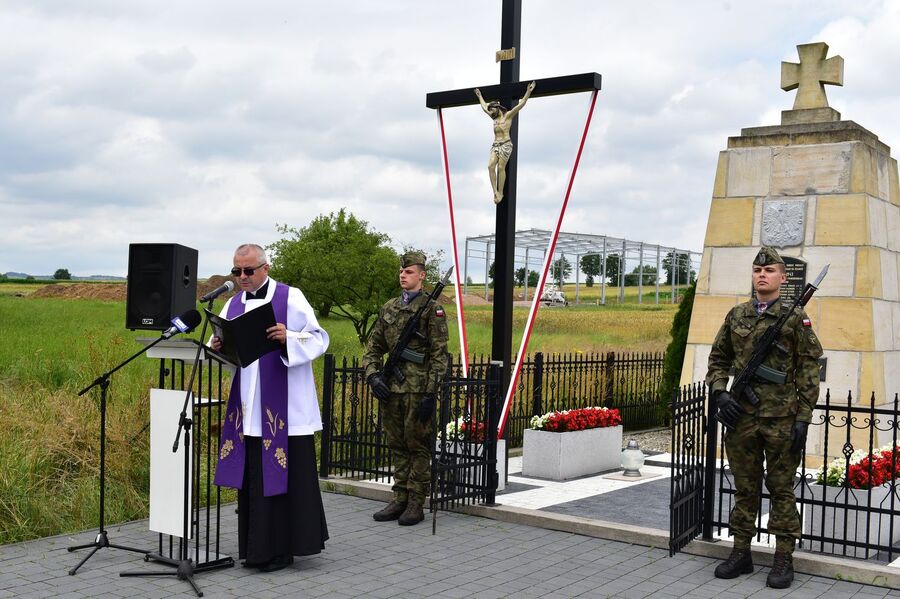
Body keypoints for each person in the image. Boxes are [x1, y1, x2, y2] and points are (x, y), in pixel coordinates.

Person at [707, 247, 823, 589]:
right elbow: (718, 358)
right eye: (758, 269)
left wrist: (803, 416)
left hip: (780, 418)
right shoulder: (737, 315)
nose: (762, 275)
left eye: (770, 270)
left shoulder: (794, 317)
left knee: (781, 488)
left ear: (782, 278)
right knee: (745, 487)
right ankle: (741, 551)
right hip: (741, 416)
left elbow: (808, 366)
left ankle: (783, 558)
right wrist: (720, 392)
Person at [212, 243, 329, 572]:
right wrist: (218, 346)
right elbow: (226, 350)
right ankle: (256, 550)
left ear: (265, 267)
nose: (242, 277)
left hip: (285, 412)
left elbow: (319, 338)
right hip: (249, 409)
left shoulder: (290, 297)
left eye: (248, 270)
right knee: (255, 482)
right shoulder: (232, 303)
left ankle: (282, 551)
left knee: (282, 481)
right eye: (236, 271)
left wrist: (289, 336)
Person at [363, 251, 449, 526]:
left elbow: (439, 355)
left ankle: (416, 501)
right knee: (397, 444)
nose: (403, 275)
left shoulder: (432, 309)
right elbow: (373, 348)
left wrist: (430, 392)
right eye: (401, 271)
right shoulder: (389, 308)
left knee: (418, 446)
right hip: (391, 388)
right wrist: (374, 376)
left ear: (422, 275)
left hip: (417, 389)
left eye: (409, 271)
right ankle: (399, 498)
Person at [474, 80, 536, 204]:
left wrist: (528, 92)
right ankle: (495, 192)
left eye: (492, 110)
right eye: (490, 111)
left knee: (501, 167)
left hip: (506, 144)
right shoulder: (494, 117)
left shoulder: (507, 116)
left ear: (497, 108)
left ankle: (500, 192)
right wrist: (480, 96)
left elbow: (521, 104)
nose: (490, 112)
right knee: (490, 166)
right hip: (495, 145)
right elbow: (484, 107)